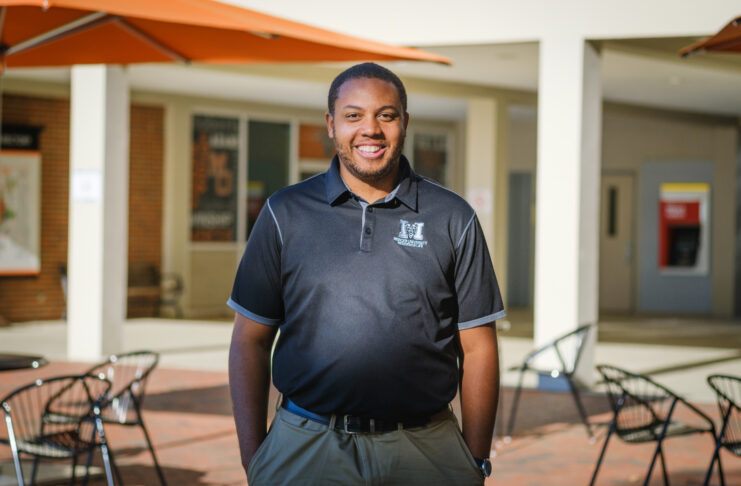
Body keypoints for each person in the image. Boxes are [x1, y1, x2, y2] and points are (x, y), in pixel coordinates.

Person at [228, 62, 505, 485]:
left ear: (405, 123)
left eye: (386, 115)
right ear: (331, 125)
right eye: (353, 115)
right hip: (307, 446)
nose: (370, 129)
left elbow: (480, 348)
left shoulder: (453, 217)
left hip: (425, 449)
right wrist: (255, 458)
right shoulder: (284, 213)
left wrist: (476, 460)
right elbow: (250, 338)